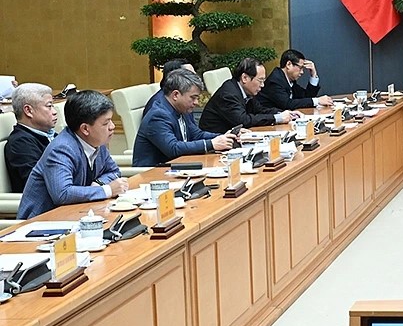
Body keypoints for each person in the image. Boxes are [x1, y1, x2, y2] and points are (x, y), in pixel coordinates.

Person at [17, 90, 129, 219]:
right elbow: (62, 194)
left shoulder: (97, 141)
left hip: (76, 214)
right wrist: (107, 190)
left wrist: (98, 184)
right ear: (85, 129)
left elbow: (113, 171)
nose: (112, 126)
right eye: (106, 123)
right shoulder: (62, 149)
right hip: (40, 222)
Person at [133, 70, 237, 167]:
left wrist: (224, 137)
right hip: (154, 174)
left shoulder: (182, 109)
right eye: (193, 97)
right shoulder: (158, 115)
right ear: (176, 95)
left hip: (179, 167)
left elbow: (196, 135)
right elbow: (173, 148)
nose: (196, 103)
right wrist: (211, 144)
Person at [200, 58, 297, 133]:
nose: (262, 85)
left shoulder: (246, 90)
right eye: (260, 80)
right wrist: (277, 118)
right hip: (215, 143)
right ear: (245, 78)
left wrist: (286, 114)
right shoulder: (228, 94)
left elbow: (260, 109)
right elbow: (243, 120)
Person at [4, 82, 56, 192]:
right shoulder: (20, 143)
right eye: (49, 106)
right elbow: (39, 185)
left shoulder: (51, 135)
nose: (54, 112)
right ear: (28, 110)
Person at [261, 49, 333, 110]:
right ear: (289, 64)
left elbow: (307, 96)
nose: (302, 72)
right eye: (300, 68)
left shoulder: (289, 80)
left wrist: (313, 74)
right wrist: (317, 101)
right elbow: (287, 104)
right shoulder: (275, 81)